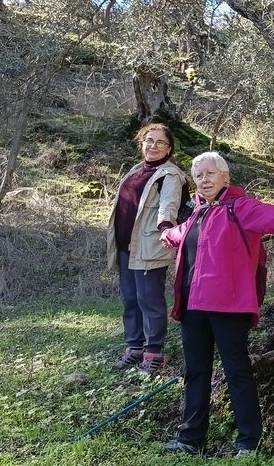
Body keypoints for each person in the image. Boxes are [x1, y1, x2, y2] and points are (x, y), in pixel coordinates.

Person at [158, 151, 274, 458]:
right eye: (199, 176)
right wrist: (168, 235)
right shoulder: (198, 212)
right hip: (192, 307)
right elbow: (181, 234)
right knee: (196, 372)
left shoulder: (240, 208)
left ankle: (248, 442)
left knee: (236, 371)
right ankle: (190, 438)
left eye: (210, 174)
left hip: (229, 307)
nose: (204, 180)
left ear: (225, 177)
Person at [105, 123, 187, 374]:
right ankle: (134, 348)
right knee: (130, 299)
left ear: (169, 148)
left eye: (160, 142)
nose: (153, 146)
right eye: (148, 140)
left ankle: (154, 354)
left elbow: (169, 205)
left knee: (149, 300)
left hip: (150, 245)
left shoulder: (170, 174)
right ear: (141, 143)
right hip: (125, 245)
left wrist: (166, 227)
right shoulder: (136, 170)